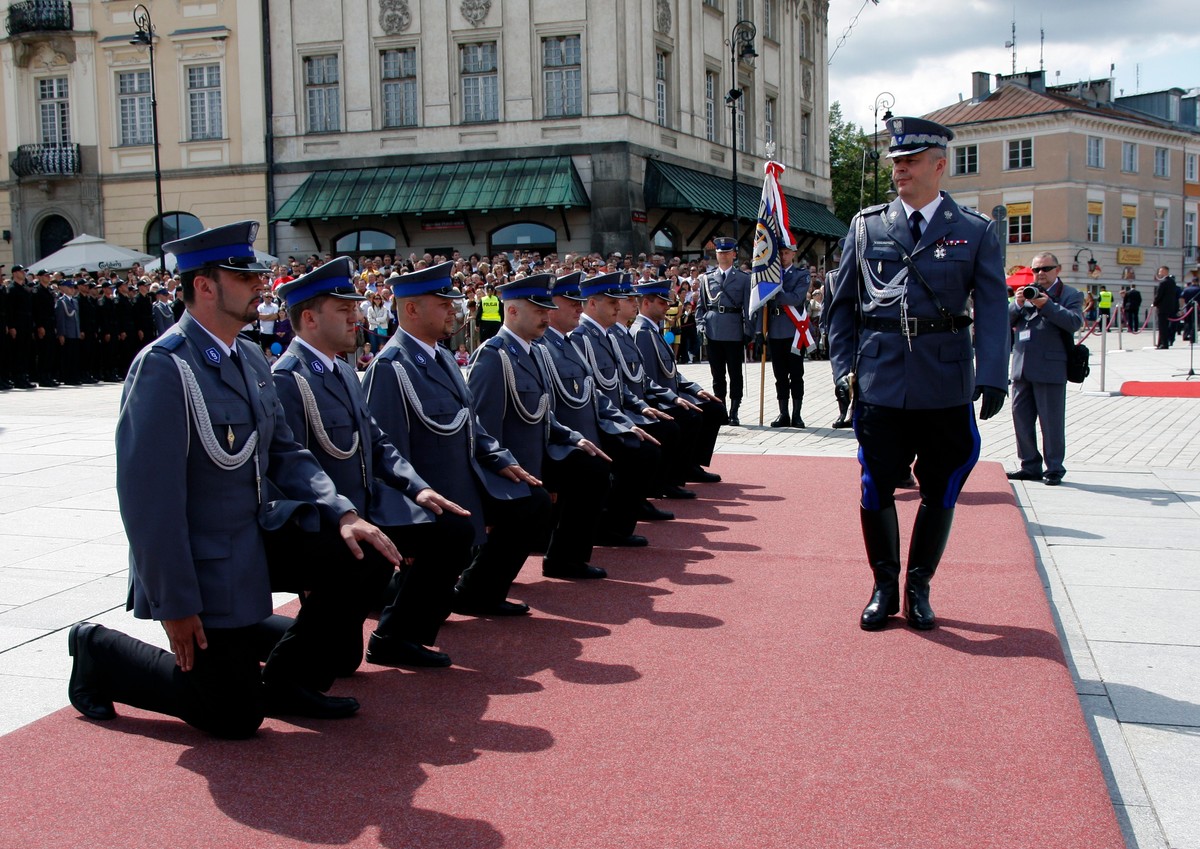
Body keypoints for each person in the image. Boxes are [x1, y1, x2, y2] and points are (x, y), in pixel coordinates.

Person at [65, 221, 402, 739]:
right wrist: (175, 604)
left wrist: (344, 513)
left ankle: (284, 675)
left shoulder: (247, 355)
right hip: (205, 564)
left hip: (255, 538)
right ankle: (98, 652)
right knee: (234, 715)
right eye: (244, 277)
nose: (259, 286)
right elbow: (147, 501)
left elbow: (285, 452)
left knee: (363, 553)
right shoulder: (164, 367)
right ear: (205, 286)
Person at [826, 116, 1009, 632]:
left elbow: (994, 309)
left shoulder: (974, 231)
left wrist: (993, 374)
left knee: (941, 484)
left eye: (909, 161)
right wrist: (843, 368)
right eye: (895, 162)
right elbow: (841, 308)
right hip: (881, 377)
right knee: (876, 483)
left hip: (945, 380)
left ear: (939, 165)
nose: (900, 170)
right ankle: (884, 587)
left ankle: (918, 587)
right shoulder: (866, 227)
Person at [273, 258, 472, 668]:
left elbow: (377, 442)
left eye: (355, 308)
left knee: (451, 527)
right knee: (340, 662)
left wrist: (419, 487)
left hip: (368, 506)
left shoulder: (343, 371)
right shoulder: (287, 379)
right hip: (329, 520)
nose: (356, 317)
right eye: (344, 310)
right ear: (309, 318)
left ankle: (398, 636)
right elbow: (287, 468)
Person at [362, 261, 550, 617]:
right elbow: (388, 451)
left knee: (532, 502)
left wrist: (500, 457)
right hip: (434, 492)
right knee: (425, 592)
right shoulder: (391, 367)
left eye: (453, 302)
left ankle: (479, 591)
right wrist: (408, 508)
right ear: (413, 309)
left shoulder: (443, 357)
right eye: (444, 304)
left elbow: (471, 423)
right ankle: (388, 600)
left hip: (467, 480)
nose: (455, 310)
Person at [469, 274, 613, 579]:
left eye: (548, 309)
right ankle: (481, 577)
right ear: (512, 311)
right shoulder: (494, 356)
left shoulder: (533, 351)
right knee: (532, 504)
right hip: (511, 462)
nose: (547, 316)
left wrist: (573, 438)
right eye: (538, 310)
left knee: (593, 468)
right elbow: (483, 426)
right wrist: (495, 475)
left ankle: (566, 558)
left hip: (540, 453)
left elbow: (545, 414)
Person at [630, 280, 729, 477]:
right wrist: (673, 399)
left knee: (714, 408)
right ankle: (681, 469)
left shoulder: (653, 330)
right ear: (646, 304)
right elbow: (648, 379)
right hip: (661, 400)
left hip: (673, 393)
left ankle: (692, 463)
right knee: (692, 416)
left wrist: (694, 389)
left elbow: (671, 371)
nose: (667, 305)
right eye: (662, 302)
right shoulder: (642, 332)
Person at [1005, 253, 1084, 486]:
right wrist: (1017, 303)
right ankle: (1029, 465)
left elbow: (1074, 322)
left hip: (1050, 368)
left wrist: (1047, 305)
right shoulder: (1026, 291)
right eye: (1036, 269)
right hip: (1021, 367)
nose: (1040, 273)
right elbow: (1004, 321)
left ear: (1057, 269)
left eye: (1046, 268)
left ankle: (1054, 468)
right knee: (1021, 420)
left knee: (1051, 422)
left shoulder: (1070, 294)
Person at [751, 240, 811, 427]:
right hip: (776, 330)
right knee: (780, 375)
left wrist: (775, 291)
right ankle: (783, 413)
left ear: (794, 253)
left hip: (794, 332)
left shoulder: (801, 275)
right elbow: (762, 304)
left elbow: (796, 298)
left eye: (786, 253)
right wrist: (760, 331)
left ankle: (797, 414)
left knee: (796, 374)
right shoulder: (769, 276)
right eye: (781, 253)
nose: (783, 256)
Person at [699, 237, 752, 425]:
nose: (723, 255)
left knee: (735, 373)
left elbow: (748, 307)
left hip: (734, 330)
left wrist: (750, 331)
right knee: (717, 373)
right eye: (720, 253)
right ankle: (720, 409)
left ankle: (734, 410)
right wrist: (700, 325)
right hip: (713, 330)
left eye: (727, 252)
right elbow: (701, 307)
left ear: (734, 255)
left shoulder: (744, 279)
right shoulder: (706, 278)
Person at [1153, 266, 1180, 349]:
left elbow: (1159, 295)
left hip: (1162, 308)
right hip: (1170, 307)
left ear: (1165, 272)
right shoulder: (1172, 282)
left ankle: (1164, 344)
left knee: (1162, 326)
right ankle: (1161, 343)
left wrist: (1154, 303)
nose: (1159, 273)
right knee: (1166, 326)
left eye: (1160, 271)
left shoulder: (1163, 282)